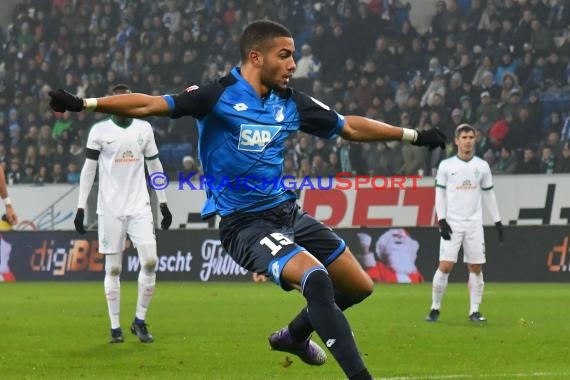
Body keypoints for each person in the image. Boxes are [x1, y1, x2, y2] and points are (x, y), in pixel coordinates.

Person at [49, 21, 445, 379]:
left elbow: (349, 128)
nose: (293, 64)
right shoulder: (216, 96)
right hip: (246, 225)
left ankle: (293, 336)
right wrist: (87, 104)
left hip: (288, 212)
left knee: (359, 286)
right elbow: (151, 104)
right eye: (285, 55)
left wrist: (411, 134)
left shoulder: (290, 102)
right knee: (316, 280)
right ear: (256, 57)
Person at [73, 84, 172, 344]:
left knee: (150, 261)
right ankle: (115, 327)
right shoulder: (99, 131)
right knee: (114, 268)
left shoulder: (144, 129)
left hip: (140, 205)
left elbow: (155, 164)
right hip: (110, 208)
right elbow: (88, 170)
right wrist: (81, 206)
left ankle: (139, 321)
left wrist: (163, 202)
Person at [426, 124, 504, 324]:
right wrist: (441, 219)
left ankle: (474, 311)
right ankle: (435, 307)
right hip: (452, 223)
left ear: (475, 140)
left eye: (471, 137)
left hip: (474, 225)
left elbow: (488, 194)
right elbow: (440, 194)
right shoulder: (446, 166)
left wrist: (497, 220)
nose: (468, 140)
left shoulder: (482, 166)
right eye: (465, 137)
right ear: (457, 140)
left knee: (476, 267)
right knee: (445, 266)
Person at [357, 229, 423, 283]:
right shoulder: (380, 268)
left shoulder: (415, 273)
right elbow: (369, 272)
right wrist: (365, 248)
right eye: (395, 244)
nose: (399, 248)